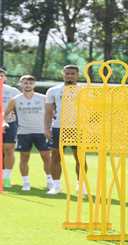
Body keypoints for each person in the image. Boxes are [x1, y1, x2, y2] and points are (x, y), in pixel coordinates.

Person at [4, 75, 52, 191]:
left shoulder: (43, 98)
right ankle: (26, 183)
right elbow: (5, 114)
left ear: (34, 85)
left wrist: (48, 128)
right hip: (23, 133)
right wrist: (4, 123)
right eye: (25, 83)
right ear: (21, 84)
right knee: (24, 158)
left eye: (30, 83)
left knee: (46, 157)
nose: (28, 85)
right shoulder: (15, 100)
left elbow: (50, 113)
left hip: (41, 132)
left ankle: (50, 181)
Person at [44, 65, 85, 194]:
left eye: (72, 74)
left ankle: (81, 185)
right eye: (67, 73)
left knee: (80, 158)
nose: (70, 76)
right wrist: (46, 128)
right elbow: (48, 112)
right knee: (55, 156)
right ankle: (56, 186)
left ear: (78, 75)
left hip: (78, 128)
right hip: (58, 127)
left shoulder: (84, 90)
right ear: (63, 74)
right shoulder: (53, 90)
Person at [1, 68, 21, 187]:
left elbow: (20, 105)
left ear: (5, 77)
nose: (0, 77)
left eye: (2, 75)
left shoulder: (13, 91)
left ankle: (6, 178)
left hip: (9, 122)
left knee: (8, 149)